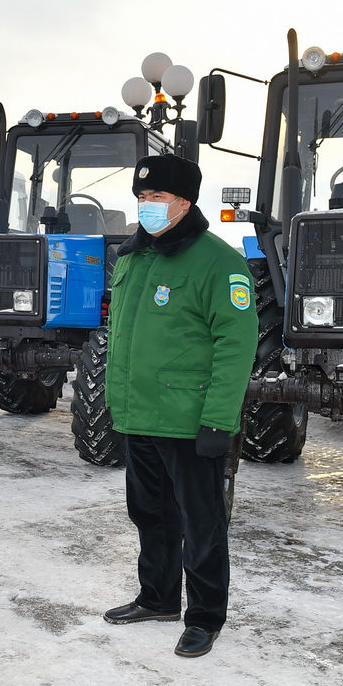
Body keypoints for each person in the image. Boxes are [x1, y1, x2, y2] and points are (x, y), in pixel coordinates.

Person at [102, 155, 258, 659]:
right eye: (141, 198)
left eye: (157, 199)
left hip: (191, 422)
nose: (146, 207)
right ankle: (158, 598)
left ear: (185, 203)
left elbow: (236, 347)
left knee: (202, 523)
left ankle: (205, 617)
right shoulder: (131, 258)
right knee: (150, 514)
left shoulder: (219, 262)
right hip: (139, 414)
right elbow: (124, 339)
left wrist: (219, 420)